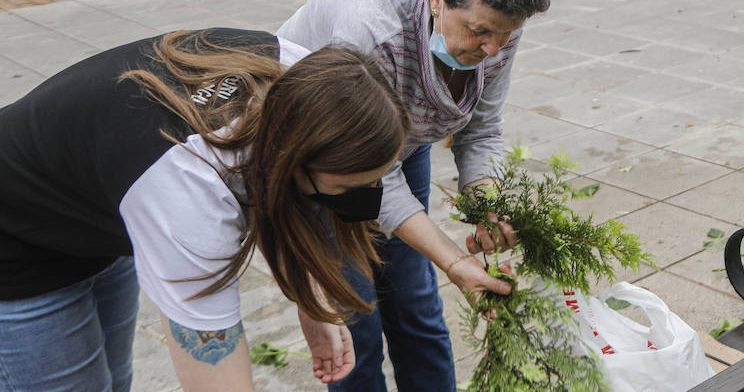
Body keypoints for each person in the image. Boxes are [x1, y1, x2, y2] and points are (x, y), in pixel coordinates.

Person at [0, 27, 514, 392]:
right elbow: (214, 371)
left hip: (100, 214)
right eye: (342, 186)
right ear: (297, 159)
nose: (352, 201)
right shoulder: (190, 192)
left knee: (113, 380)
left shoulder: (299, 73)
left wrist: (309, 295)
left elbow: (281, 188)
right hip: (17, 241)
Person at [277, 0, 552, 392]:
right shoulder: (369, 26)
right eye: (479, 31)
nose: (493, 49)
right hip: (324, 166)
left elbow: (481, 129)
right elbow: (370, 178)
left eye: (506, 34)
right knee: (355, 318)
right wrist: (452, 257)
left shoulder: (498, 18)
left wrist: (486, 201)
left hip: (403, 148)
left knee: (416, 307)